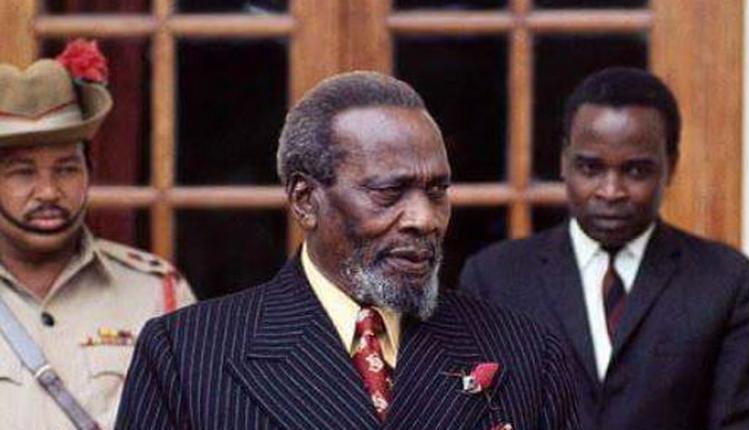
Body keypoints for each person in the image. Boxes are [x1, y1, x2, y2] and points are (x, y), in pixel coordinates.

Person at [115, 71, 579, 429]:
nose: (424, 219)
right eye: (389, 192)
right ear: (305, 201)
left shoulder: (526, 354)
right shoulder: (187, 355)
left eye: (437, 191)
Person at [460, 67, 749, 430]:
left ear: (670, 166)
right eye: (590, 168)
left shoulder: (726, 283)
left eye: (636, 171)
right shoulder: (494, 280)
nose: (611, 191)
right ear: (564, 161)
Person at [0, 40, 195, 429]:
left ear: (89, 173)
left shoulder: (156, 293)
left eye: (67, 168)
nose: (49, 191)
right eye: (22, 172)